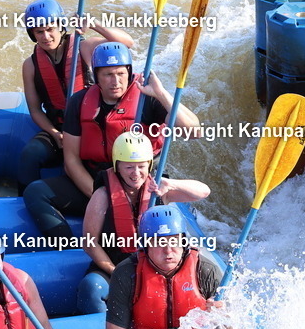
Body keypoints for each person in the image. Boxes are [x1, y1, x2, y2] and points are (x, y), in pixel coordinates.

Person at [23, 41, 202, 241]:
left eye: (120, 74)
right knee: (35, 192)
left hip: (137, 184)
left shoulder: (147, 99)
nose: (115, 81)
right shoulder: (79, 101)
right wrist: (101, 199)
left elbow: (193, 131)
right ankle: (66, 247)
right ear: (96, 76)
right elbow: (71, 160)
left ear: (129, 73)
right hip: (96, 182)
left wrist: (161, 94)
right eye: (108, 75)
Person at [78, 131, 210, 314]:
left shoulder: (160, 189)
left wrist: (171, 184)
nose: (136, 173)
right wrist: (115, 271)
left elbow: (204, 192)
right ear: (117, 166)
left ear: (149, 165)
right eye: (129, 167)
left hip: (155, 266)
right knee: (92, 286)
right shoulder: (102, 196)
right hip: (115, 264)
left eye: (141, 166)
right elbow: (89, 243)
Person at [18, 0, 134, 195]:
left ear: (61, 26)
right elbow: (35, 110)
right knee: (30, 154)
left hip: (92, 126)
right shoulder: (30, 65)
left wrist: (94, 24)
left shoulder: (83, 46)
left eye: (50, 29)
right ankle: (24, 204)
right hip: (61, 129)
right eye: (39, 32)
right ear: (32, 34)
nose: (46, 36)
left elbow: (126, 44)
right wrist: (55, 133)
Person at [104, 205, 222, 329]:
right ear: (146, 245)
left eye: (174, 241)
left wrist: (223, 320)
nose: (168, 251)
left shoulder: (206, 271)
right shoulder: (127, 274)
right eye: (160, 243)